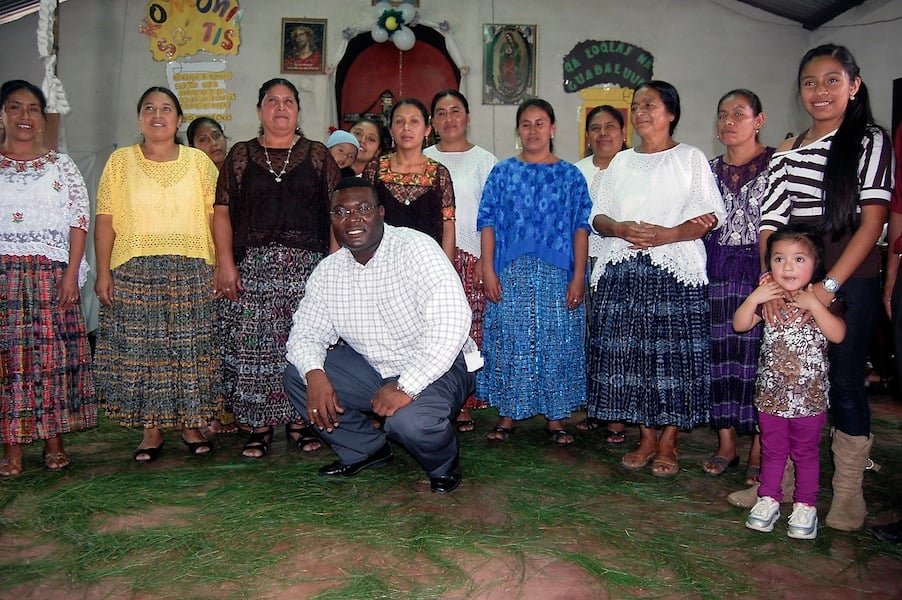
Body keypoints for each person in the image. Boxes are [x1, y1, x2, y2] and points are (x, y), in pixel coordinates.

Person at [758, 44, 892, 531]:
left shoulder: (869, 140)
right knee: (789, 380)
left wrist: (828, 287)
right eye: (811, 82)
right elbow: (770, 224)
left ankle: (849, 492)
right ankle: (782, 486)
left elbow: (873, 220)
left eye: (833, 80)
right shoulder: (787, 152)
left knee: (845, 382)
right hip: (794, 276)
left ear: (853, 86)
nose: (820, 91)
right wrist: (772, 282)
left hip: (850, 278)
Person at [283, 177, 476, 493]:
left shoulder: (416, 249)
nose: (353, 219)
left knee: (409, 421)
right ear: (331, 220)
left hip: (441, 366)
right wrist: (315, 375)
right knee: (299, 374)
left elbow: (451, 323)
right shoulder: (328, 272)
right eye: (341, 212)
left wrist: (406, 386)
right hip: (376, 369)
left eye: (363, 209)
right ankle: (366, 449)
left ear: (381, 212)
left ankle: (443, 464)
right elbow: (305, 334)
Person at [587, 81, 725, 476]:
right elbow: (597, 216)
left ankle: (669, 441)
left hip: (674, 273)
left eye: (651, 104)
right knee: (634, 358)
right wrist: (618, 227)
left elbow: (709, 216)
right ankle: (645, 437)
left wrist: (667, 234)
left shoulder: (691, 159)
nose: (641, 111)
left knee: (670, 359)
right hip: (623, 270)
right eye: (636, 106)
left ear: (671, 113)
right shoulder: (621, 162)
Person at [213, 78, 341, 459]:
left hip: (308, 270)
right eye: (272, 101)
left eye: (288, 101)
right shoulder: (240, 156)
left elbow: (337, 213)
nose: (280, 108)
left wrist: (333, 268)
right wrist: (226, 264)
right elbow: (222, 213)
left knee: (303, 346)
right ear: (259, 110)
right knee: (257, 349)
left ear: (298, 111)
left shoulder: (318, 156)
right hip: (253, 269)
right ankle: (258, 425)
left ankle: (302, 421)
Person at [94, 86, 219, 462]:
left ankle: (190, 425)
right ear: (139, 118)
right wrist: (103, 272)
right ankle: (151, 431)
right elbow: (105, 222)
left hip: (193, 266)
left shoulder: (199, 163)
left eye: (166, 108)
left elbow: (218, 217)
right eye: (149, 108)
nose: (157, 114)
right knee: (144, 353)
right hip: (134, 268)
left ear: (179, 120)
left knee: (190, 348)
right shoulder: (120, 162)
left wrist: (221, 263)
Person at [479, 98, 591, 446]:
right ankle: (508, 414)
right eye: (526, 124)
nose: (532, 130)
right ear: (518, 131)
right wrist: (488, 269)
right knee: (511, 340)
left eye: (540, 123)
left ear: (553, 129)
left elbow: (580, 227)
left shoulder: (571, 175)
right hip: (510, 271)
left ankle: (557, 418)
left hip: (558, 273)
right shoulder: (502, 172)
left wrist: (578, 277)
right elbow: (488, 223)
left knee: (558, 341)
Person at [0, 80, 95, 476]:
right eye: (15, 108)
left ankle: (54, 441)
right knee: (10, 361)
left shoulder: (61, 166)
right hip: (4, 277)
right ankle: (13, 447)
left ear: (42, 118)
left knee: (52, 360)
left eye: (33, 109)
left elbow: (78, 219)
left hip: (50, 276)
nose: (25, 116)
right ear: (2, 114)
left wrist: (71, 273)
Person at [735, 224, 845, 540]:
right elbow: (740, 324)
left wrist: (814, 305)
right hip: (771, 399)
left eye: (799, 259)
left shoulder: (820, 299)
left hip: (809, 401)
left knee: (806, 453)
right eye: (779, 259)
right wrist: (755, 296)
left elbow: (838, 334)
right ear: (769, 265)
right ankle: (769, 498)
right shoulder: (770, 300)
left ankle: (805, 505)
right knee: (772, 450)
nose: (788, 267)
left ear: (816, 265)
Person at [703, 90, 774, 480]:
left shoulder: (777, 163)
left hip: (761, 272)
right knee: (721, 357)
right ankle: (726, 443)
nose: (728, 121)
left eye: (739, 114)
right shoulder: (707, 170)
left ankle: (761, 449)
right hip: (716, 270)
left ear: (758, 120)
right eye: (722, 114)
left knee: (759, 358)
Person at [424, 89, 498, 432]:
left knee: (469, 330)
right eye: (441, 112)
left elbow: (494, 216)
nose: (449, 118)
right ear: (432, 122)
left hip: (471, 257)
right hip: (427, 258)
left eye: (456, 111)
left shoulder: (485, 161)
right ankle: (434, 396)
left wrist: (486, 260)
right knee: (434, 330)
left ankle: (465, 400)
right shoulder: (421, 158)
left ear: (467, 118)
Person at [574, 104, 628, 445]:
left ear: (624, 134)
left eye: (611, 127)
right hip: (584, 262)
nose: (603, 134)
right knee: (589, 336)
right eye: (596, 128)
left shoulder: (633, 167)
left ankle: (619, 417)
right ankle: (597, 408)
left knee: (617, 339)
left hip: (619, 263)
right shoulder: (576, 171)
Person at [186, 115, 240, 436]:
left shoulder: (238, 172)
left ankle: (232, 410)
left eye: (216, 136)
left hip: (236, 265)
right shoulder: (188, 179)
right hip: (203, 267)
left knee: (231, 338)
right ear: (191, 146)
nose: (213, 143)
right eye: (203, 139)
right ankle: (208, 414)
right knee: (207, 342)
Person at [362, 98, 456, 262]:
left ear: (427, 129)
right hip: (382, 263)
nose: (406, 128)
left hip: (427, 263)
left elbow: (448, 226)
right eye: (400, 122)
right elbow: (364, 218)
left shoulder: (439, 173)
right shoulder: (374, 169)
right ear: (391, 130)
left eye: (414, 121)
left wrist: (447, 268)